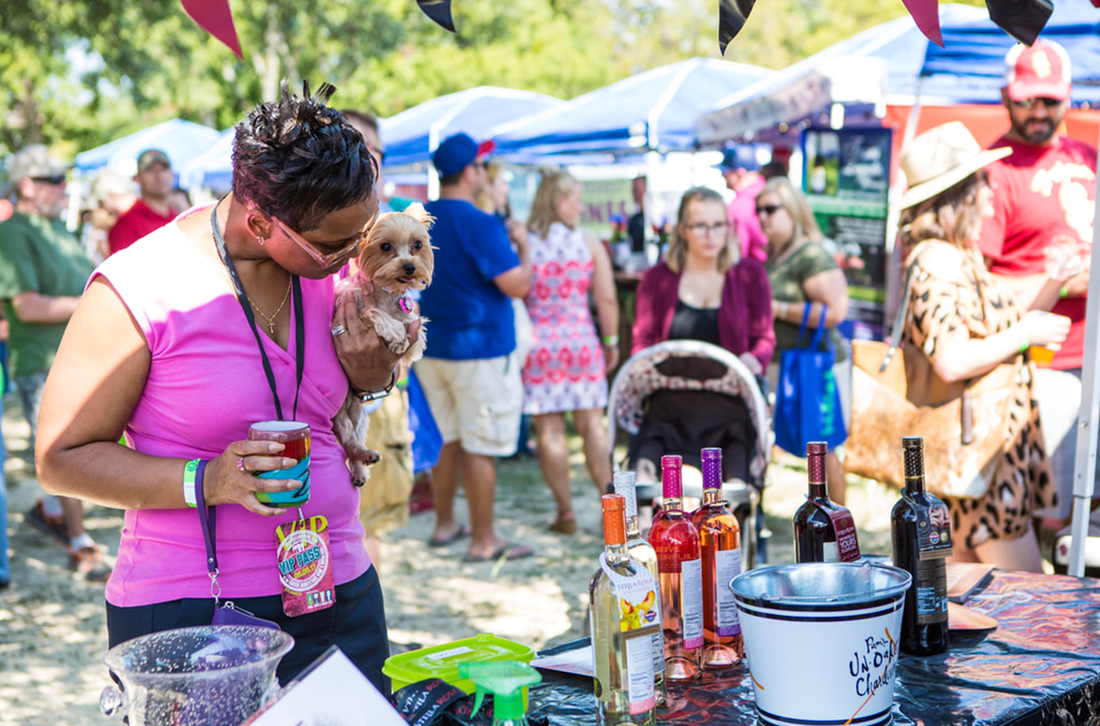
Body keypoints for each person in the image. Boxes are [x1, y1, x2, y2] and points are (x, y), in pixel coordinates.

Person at [33, 82, 408, 689]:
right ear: (260, 222)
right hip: (196, 612)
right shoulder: (139, 286)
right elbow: (59, 458)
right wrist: (209, 480)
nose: (354, 259)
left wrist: (368, 387)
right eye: (336, 246)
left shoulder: (328, 272)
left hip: (336, 587)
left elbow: (324, 397)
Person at [897, 121, 1069, 570]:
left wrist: (1056, 280)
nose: (993, 198)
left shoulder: (954, 257)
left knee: (976, 607)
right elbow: (950, 361)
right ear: (961, 196)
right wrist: (1024, 334)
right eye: (984, 184)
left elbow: (998, 316)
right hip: (980, 468)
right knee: (1029, 605)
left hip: (982, 462)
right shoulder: (938, 260)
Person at [975, 39, 1097, 532]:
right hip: (1039, 365)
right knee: (1049, 515)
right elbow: (979, 285)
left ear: (1068, 96)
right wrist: (1066, 281)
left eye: (1050, 99)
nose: (1040, 110)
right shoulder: (994, 170)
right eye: (1028, 99)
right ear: (1007, 96)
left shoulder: (1086, 156)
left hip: (1094, 357)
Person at [415, 133, 534, 562]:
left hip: (432, 349)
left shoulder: (422, 217)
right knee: (480, 445)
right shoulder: (481, 223)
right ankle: (484, 540)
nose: (485, 173)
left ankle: (445, 523)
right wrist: (524, 248)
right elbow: (517, 285)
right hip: (480, 351)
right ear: (470, 172)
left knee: (446, 440)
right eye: (481, 166)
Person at [0, 144, 110, 582]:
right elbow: (27, 307)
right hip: (41, 360)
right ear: (27, 185)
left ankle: (48, 513)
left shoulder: (59, 230)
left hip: (77, 357)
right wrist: (93, 302)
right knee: (63, 450)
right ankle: (80, 541)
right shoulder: (13, 233)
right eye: (53, 179)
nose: (63, 187)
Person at [632, 186, 774, 482]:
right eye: (700, 226)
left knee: (731, 495)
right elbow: (641, 342)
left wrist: (755, 358)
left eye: (719, 225)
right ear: (682, 230)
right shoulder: (657, 279)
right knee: (647, 489)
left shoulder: (749, 275)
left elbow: (765, 337)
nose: (711, 235)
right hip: (668, 410)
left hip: (728, 411)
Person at [522, 168, 618, 534]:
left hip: (540, 344)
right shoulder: (587, 242)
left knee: (549, 432)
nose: (580, 207)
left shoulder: (526, 242)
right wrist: (611, 340)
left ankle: (565, 513)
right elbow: (606, 298)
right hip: (581, 341)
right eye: (577, 199)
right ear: (560, 201)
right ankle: (610, 512)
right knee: (593, 425)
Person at [756, 177, 851, 502]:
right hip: (785, 365)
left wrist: (777, 308)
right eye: (759, 211)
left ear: (794, 211)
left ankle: (839, 523)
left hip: (815, 364)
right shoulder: (776, 255)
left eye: (770, 209)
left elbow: (836, 310)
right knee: (806, 446)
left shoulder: (809, 254)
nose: (763, 217)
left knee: (823, 450)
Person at [475, 162, 536, 460]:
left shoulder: (496, 221)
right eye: (501, 182)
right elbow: (518, 284)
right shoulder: (488, 225)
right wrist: (524, 247)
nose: (506, 188)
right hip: (497, 320)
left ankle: (516, 439)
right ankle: (511, 442)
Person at [107, 149, 181, 256]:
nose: (159, 176)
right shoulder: (127, 224)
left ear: (172, 175)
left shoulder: (178, 218)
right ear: (137, 178)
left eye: (164, 169)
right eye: (150, 170)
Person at [718, 145, 768, 263]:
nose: (722, 175)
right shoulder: (772, 193)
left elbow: (736, 256)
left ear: (739, 173)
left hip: (754, 276)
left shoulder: (738, 207)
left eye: (725, 171)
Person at [627, 174, 648, 253]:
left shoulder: (657, 220)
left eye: (637, 190)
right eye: (633, 191)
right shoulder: (634, 220)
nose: (634, 195)